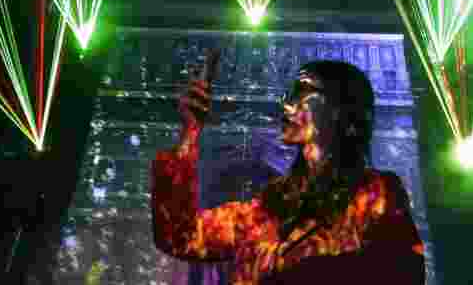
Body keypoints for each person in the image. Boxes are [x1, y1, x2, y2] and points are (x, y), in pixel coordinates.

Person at [151, 52, 426, 284]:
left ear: (342, 112)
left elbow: (405, 273)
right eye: (290, 93)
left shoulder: (375, 195)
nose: (287, 105)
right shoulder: (264, 211)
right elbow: (180, 236)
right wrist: (190, 132)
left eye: (303, 92)